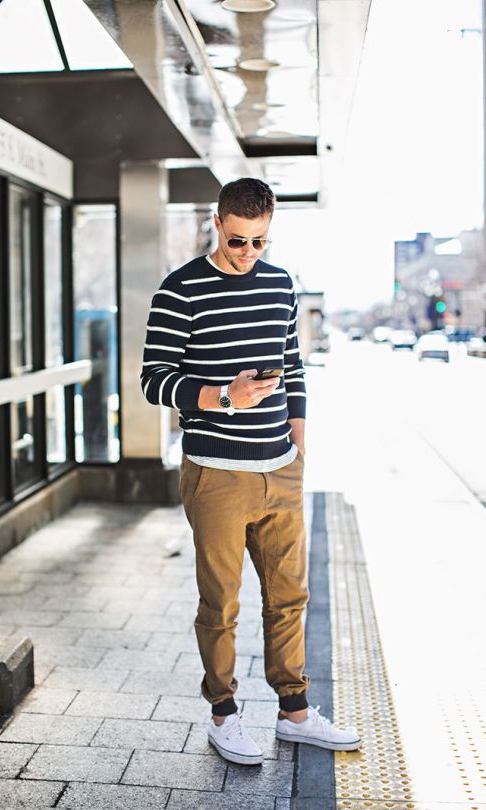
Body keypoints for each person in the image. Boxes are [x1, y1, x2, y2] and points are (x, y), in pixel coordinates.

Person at [141, 177, 361, 765]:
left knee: (290, 596)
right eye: (238, 241)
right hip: (216, 474)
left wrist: (298, 441)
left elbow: (293, 364)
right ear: (218, 224)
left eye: (259, 242)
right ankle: (223, 714)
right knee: (222, 604)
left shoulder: (281, 282)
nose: (248, 254)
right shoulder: (179, 289)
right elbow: (154, 380)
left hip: (279, 470)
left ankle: (294, 713)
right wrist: (224, 395)